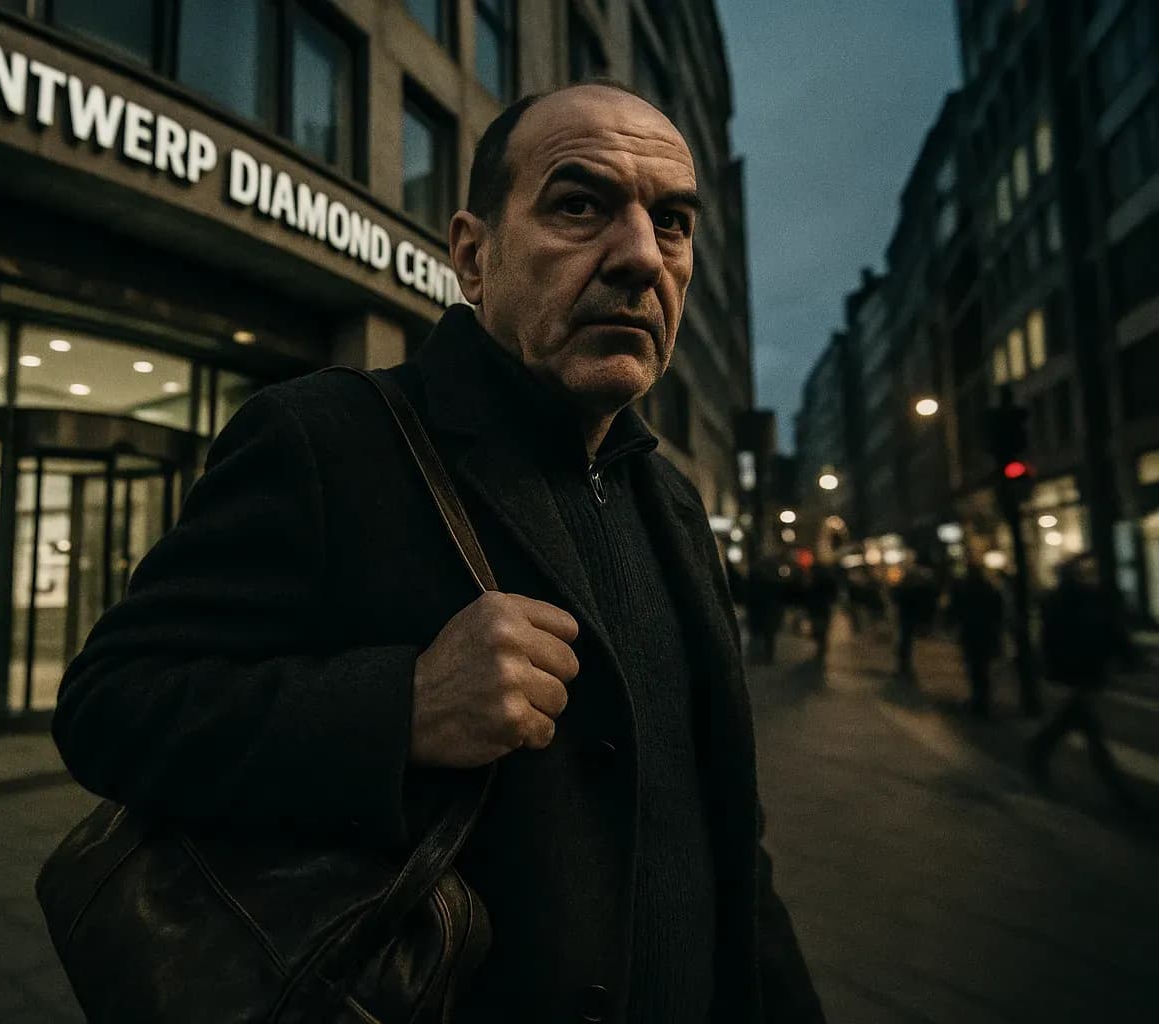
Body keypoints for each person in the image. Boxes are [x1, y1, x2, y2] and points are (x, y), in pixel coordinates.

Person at [54, 82, 824, 1023]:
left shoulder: (673, 502)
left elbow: (731, 840)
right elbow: (109, 708)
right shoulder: (327, 439)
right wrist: (401, 707)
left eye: (672, 222)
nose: (638, 255)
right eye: (580, 205)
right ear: (471, 255)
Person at [1027, 555, 1143, 812]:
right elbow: (1109, 630)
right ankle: (1117, 790)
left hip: (1081, 672)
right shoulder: (1080, 600)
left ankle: (1038, 751)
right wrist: (1128, 656)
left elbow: (1106, 630)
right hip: (1083, 672)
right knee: (1089, 729)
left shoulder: (1067, 600)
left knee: (1073, 722)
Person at [948, 564, 1005, 717]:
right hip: (985, 634)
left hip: (972, 634)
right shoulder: (990, 590)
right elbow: (998, 612)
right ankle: (982, 700)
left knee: (976, 668)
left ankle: (979, 700)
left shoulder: (965, 590)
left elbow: (957, 610)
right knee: (982, 668)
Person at [804, 564, 839, 663]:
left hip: (818, 608)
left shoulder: (814, 581)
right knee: (821, 628)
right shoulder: (823, 580)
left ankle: (821, 646)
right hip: (821, 608)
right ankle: (821, 646)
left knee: (819, 628)